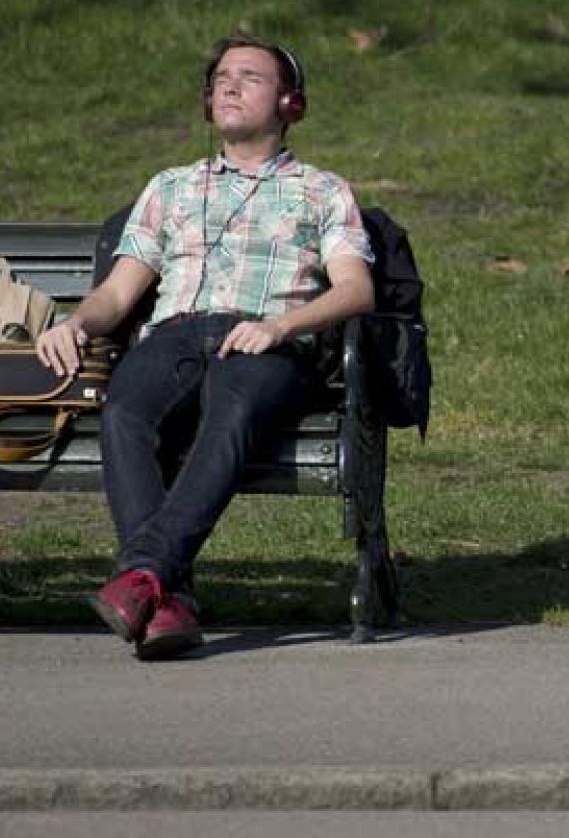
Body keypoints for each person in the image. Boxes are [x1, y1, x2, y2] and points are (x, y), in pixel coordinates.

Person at [36, 35, 375, 661]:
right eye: (221, 76)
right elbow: (117, 293)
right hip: (175, 334)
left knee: (232, 406)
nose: (230, 84)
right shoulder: (170, 187)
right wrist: (76, 324)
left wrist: (282, 326)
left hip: (266, 341)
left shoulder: (322, 192)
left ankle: (142, 574)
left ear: (290, 104)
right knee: (126, 410)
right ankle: (166, 602)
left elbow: (356, 291)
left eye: (250, 76)